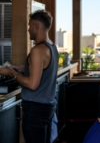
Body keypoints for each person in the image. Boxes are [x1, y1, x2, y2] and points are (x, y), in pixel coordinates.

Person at [0, 10, 58, 143]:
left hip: (35, 110)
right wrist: (24, 68)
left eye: (30, 26)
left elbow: (32, 84)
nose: (28, 29)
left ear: (36, 27)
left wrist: (11, 73)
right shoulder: (52, 46)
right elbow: (45, 70)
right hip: (47, 107)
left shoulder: (37, 50)